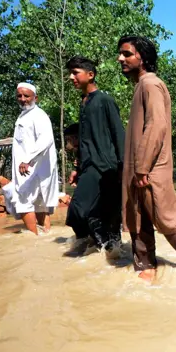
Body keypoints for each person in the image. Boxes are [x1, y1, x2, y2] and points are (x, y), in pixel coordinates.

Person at [118, 36, 176, 280]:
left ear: (143, 58)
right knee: (140, 218)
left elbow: (156, 126)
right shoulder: (142, 85)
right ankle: (147, 268)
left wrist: (143, 167)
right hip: (142, 169)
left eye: (127, 54)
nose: (121, 59)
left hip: (150, 168)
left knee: (165, 218)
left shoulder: (151, 84)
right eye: (121, 54)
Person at [64, 56, 125, 256]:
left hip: (106, 165)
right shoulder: (84, 102)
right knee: (81, 213)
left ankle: (109, 249)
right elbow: (84, 139)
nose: (71, 77)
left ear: (90, 75)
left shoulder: (104, 100)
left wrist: (123, 166)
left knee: (88, 210)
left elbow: (118, 133)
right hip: (89, 166)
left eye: (75, 73)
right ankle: (101, 246)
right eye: (70, 73)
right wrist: (77, 167)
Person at [2, 83, 59, 235]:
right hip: (32, 169)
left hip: (31, 168)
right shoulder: (25, 116)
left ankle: (33, 239)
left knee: (21, 200)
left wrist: (28, 160)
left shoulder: (38, 115)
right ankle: (45, 239)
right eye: (19, 96)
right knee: (39, 205)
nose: (22, 99)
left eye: (26, 96)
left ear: (35, 98)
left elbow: (45, 140)